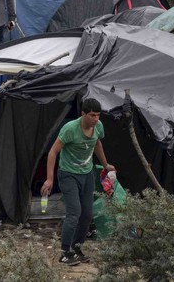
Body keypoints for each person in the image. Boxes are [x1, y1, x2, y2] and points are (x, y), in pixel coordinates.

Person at [41, 98, 115, 266]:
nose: (96, 119)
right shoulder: (70, 129)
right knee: (74, 213)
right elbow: (53, 152)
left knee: (87, 214)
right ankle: (65, 252)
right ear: (83, 114)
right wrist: (50, 179)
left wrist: (105, 164)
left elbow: (97, 143)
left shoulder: (98, 127)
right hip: (68, 174)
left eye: (98, 115)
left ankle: (77, 248)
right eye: (92, 115)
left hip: (87, 174)